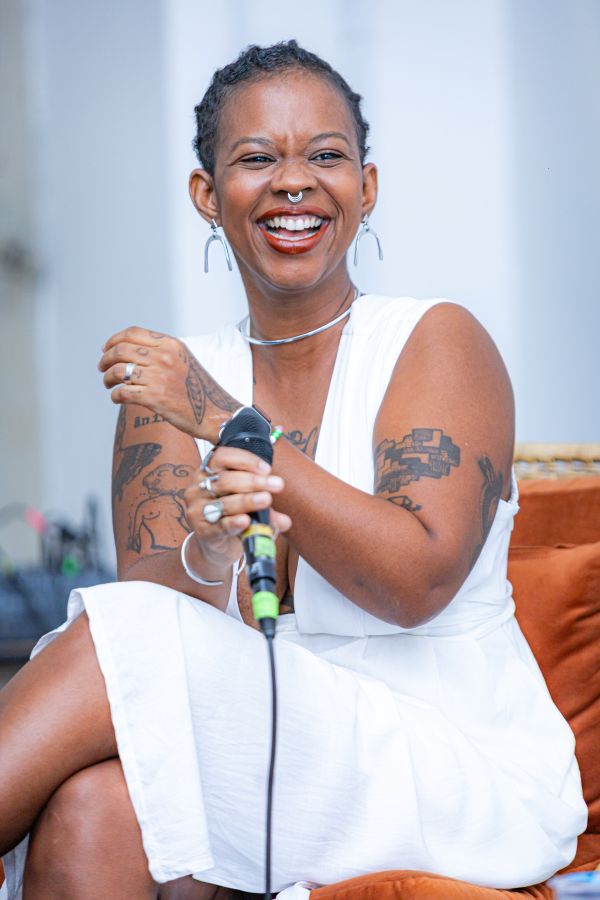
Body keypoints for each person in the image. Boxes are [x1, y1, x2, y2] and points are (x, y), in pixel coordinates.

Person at [0, 40, 586, 900]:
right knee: (93, 809)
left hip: (447, 760)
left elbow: (416, 582)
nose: (293, 183)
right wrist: (210, 551)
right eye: (255, 159)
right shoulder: (171, 385)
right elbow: (154, 630)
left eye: (325, 156)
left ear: (366, 186)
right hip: (263, 741)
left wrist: (223, 418)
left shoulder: (434, 341)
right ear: (207, 195)